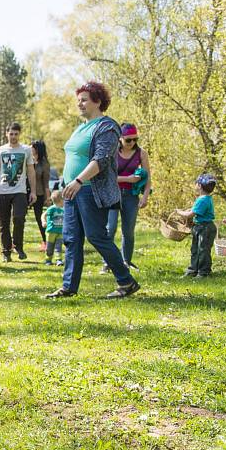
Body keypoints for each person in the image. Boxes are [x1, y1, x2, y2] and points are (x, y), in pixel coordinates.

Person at [45, 81, 140, 299]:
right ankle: (69, 286)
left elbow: (102, 159)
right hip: (72, 191)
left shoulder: (106, 126)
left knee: (96, 235)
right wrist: (66, 183)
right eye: (78, 100)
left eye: (84, 100)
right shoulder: (80, 128)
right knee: (70, 238)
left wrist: (78, 180)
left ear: (98, 101)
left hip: (89, 189)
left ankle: (126, 282)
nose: (80, 104)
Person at [101, 123, 152, 273]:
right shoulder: (112, 152)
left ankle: (126, 261)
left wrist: (145, 197)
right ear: (120, 138)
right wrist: (129, 179)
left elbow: (147, 178)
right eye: (128, 140)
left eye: (135, 139)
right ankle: (107, 263)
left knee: (128, 231)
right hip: (112, 194)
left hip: (131, 196)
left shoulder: (141, 153)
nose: (132, 143)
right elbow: (107, 177)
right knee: (110, 229)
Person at [0, 123, 37, 262]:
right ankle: (6, 251)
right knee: (4, 222)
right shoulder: (0, 150)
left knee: (19, 218)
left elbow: (31, 172)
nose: (13, 136)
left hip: (20, 191)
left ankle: (18, 246)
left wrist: (33, 191)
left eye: (16, 134)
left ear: (19, 134)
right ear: (6, 134)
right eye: (11, 134)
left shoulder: (26, 150)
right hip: (3, 191)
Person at [177, 174, 217, 278]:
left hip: (205, 228)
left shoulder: (202, 199)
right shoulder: (204, 198)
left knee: (203, 250)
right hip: (200, 227)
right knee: (195, 249)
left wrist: (179, 212)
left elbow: (190, 215)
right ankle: (193, 270)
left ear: (199, 185)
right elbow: (195, 210)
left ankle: (203, 272)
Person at [30, 140, 52, 251]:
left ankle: (46, 242)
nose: (30, 148)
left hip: (39, 194)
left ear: (37, 149)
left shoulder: (44, 164)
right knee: (18, 217)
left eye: (32, 147)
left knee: (40, 219)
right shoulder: (29, 161)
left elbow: (46, 183)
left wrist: (48, 198)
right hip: (26, 192)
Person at [42, 190, 64, 266]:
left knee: (59, 246)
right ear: (61, 200)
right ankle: (48, 260)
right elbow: (43, 215)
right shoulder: (51, 208)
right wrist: (43, 222)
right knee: (49, 246)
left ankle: (59, 259)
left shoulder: (63, 209)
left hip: (60, 231)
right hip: (51, 231)